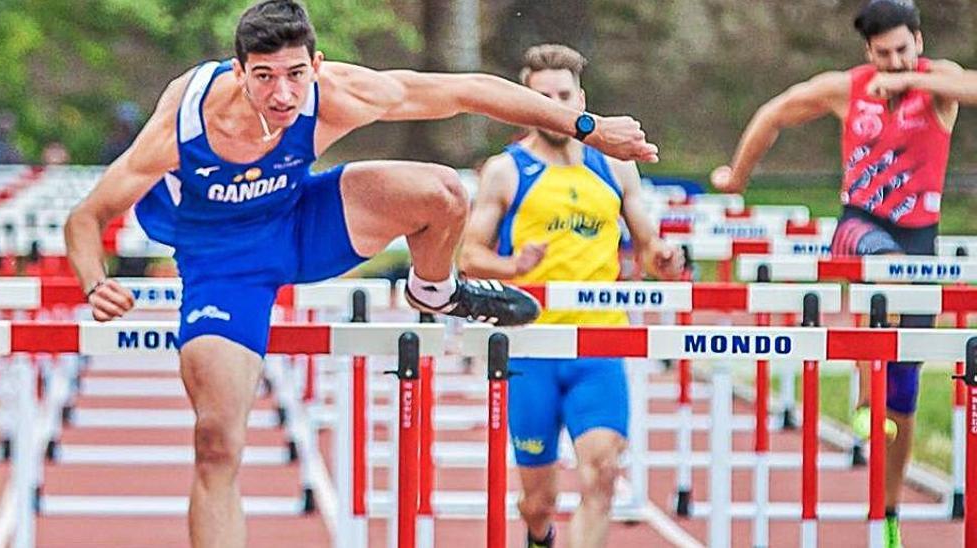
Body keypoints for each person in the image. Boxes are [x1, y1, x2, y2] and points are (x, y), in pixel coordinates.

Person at [65, 2, 657, 545]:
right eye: (265, 77)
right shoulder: (185, 121)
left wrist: (590, 127)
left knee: (442, 191)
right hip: (224, 263)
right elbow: (87, 217)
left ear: (315, 65)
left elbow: (467, 90)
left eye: (296, 74)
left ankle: (435, 289)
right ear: (239, 71)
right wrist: (95, 282)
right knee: (217, 442)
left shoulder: (337, 91)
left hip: (301, 223)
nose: (282, 94)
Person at [710, 2, 977, 545]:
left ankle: (887, 514)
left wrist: (913, 81)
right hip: (859, 226)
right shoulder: (846, 88)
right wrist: (737, 177)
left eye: (903, 50)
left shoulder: (939, 84)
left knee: (904, 390)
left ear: (918, 43)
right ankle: (861, 395)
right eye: (884, 54)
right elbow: (775, 112)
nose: (895, 61)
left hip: (917, 239)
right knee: (884, 279)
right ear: (868, 53)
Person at [460, 44, 682, 548]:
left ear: (581, 98)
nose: (558, 109)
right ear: (526, 103)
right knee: (538, 503)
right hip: (531, 349)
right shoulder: (506, 170)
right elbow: (469, 256)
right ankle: (540, 536)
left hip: (599, 345)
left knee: (601, 474)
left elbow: (646, 244)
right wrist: (511, 266)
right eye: (545, 98)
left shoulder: (614, 166)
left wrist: (662, 257)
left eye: (565, 96)